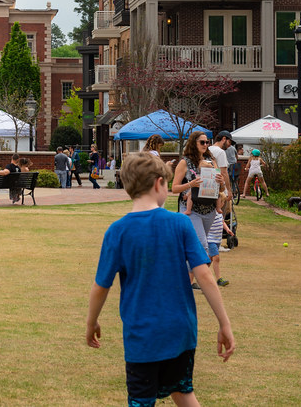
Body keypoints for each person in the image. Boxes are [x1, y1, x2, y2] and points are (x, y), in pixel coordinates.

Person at [85, 152, 234, 407]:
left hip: (142, 336)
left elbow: (102, 286)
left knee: (142, 401)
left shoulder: (117, 231)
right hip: (181, 331)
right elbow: (206, 276)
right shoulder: (181, 223)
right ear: (158, 184)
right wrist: (224, 323)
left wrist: (91, 322)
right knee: (183, 392)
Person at [171, 130, 221, 254]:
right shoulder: (184, 162)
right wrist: (190, 184)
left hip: (209, 209)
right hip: (191, 209)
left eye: (207, 142)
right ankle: (200, 273)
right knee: (202, 246)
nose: (205, 145)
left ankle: (189, 273)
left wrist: (221, 182)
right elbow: (174, 188)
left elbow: (220, 188)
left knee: (195, 247)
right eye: (202, 142)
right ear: (194, 143)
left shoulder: (211, 161)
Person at [208, 190, 232, 287]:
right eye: (222, 202)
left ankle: (200, 274)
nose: (223, 204)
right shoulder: (211, 212)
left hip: (217, 240)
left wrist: (227, 230)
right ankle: (219, 279)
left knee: (208, 261)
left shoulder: (219, 213)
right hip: (210, 240)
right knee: (216, 258)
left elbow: (222, 222)